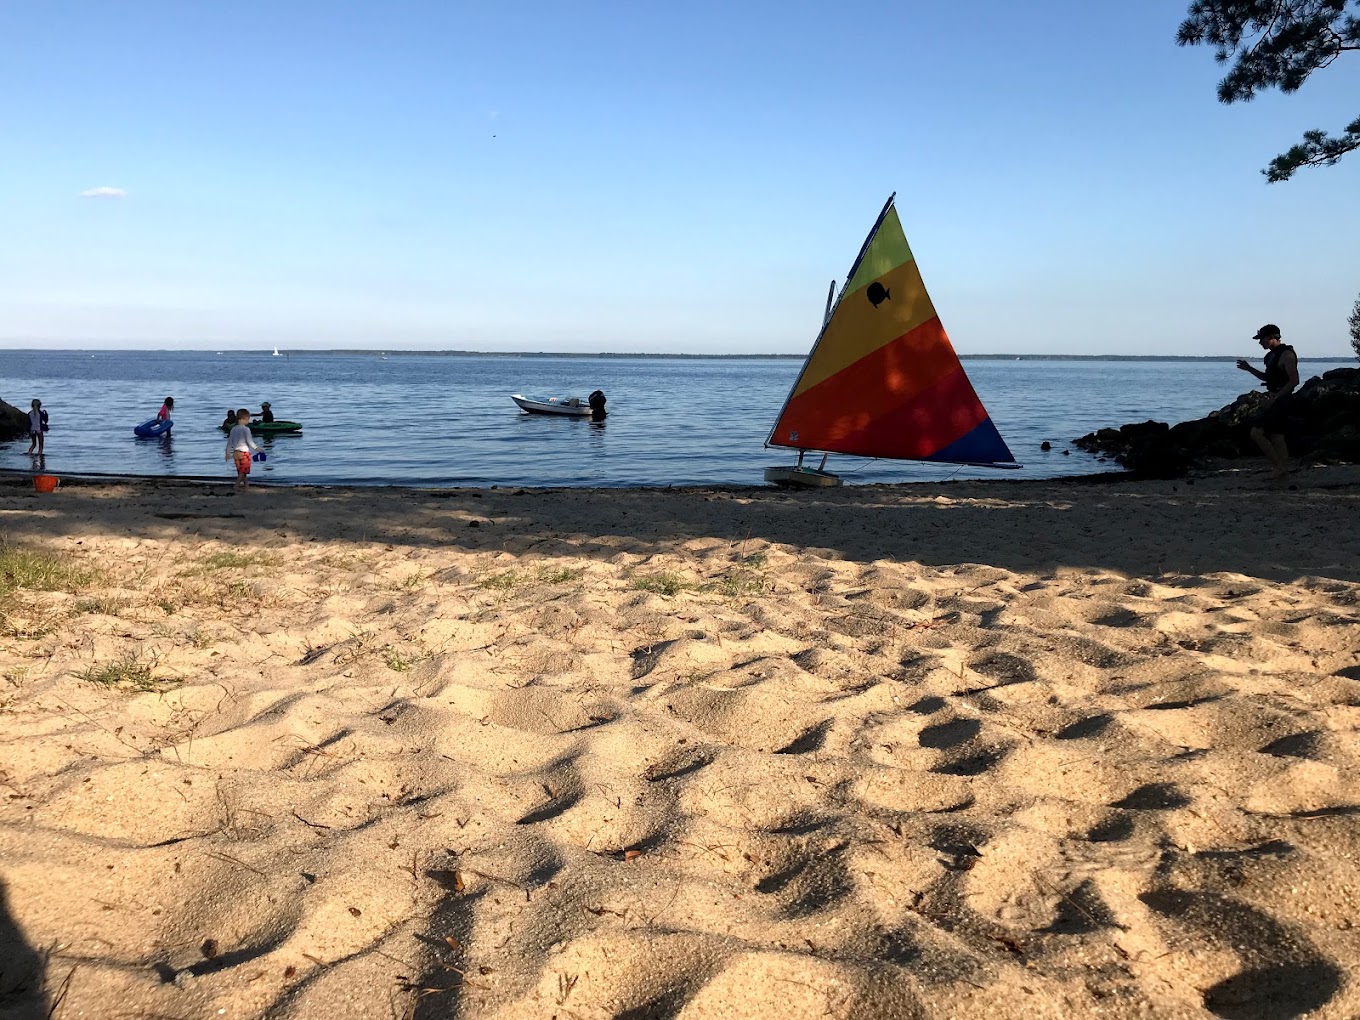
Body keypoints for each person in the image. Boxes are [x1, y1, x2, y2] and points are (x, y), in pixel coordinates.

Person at [1236, 323, 1299, 478]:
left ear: (1272, 337)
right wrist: (1249, 368)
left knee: (1256, 433)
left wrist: (1275, 398)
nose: (1260, 342)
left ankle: (1279, 467)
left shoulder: (1287, 355)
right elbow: (1267, 377)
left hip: (1282, 400)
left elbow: (1294, 380)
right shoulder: (1271, 356)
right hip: (1275, 399)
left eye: (1262, 339)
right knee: (1277, 436)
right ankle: (1282, 470)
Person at [224, 408, 260, 489]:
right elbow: (249, 441)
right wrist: (257, 448)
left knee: (240, 471)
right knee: (243, 471)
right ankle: (236, 485)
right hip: (244, 453)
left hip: (235, 453)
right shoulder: (246, 429)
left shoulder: (233, 429)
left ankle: (246, 485)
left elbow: (229, 442)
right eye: (248, 419)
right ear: (245, 418)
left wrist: (227, 452)